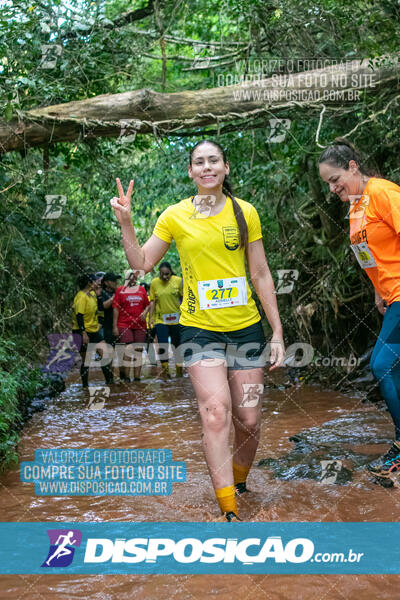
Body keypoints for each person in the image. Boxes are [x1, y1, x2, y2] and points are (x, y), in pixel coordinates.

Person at [110, 140, 285, 521]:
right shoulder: (174, 216)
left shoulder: (246, 213)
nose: (206, 168)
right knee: (215, 413)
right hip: (198, 331)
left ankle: (238, 482)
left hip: (245, 330)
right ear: (191, 172)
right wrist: (126, 222)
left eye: (213, 161)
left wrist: (276, 332)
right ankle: (229, 511)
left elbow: (260, 273)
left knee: (249, 420)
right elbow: (141, 263)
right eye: (199, 163)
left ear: (225, 168)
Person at [318, 138, 400, 479]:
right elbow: (371, 256)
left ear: (353, 166)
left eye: (336, 179)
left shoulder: (383, 192)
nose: (333, 188)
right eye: (327, 184)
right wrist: (377, 293)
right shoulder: (355, 206)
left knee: (382, 364)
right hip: (391, 296)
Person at [72, 273, 114, 387]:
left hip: (94, 331)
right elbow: (79, 316)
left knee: (106, 354)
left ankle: (110, 382)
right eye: (96, 281)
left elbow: (100, 308)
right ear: (89, 283)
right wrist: (84, 333)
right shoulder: (81, 296)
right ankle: (85, 386)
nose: (98, 283)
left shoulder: (93, 294)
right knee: (86, 361)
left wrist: (99, 296)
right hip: (81, 332)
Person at [112, 269, 150, 382]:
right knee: (128, 349)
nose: (133, 280)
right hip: (124, 324)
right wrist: (114, 326)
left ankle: (137, 377)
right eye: (130, 277)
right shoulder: (120, 290)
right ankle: (127, 377)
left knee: (138, 349)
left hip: (140, 324)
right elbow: (115, 308)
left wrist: (145, 312)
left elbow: (147, 305)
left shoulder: (142, 289)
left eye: (134, 277)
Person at [149, 261, 184, 377]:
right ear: (159, 273)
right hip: (161, 320)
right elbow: (152, 301)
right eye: (162, 274)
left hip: (176, 319)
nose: (164, 277)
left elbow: (184, 298)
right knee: (162, 345)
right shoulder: (154, 283)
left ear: (171, 272)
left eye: (167, 274)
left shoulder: (178, 281)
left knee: (177, 345)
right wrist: (150, 318)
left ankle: (179, 371)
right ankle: (166, 372)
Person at [99, 272, 121, 345]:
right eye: (113, 280)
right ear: (106, 282)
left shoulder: (119, 292)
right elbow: (104, 306)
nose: (115, 282)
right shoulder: (101, 293)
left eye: (116, 280)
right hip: (106, 327)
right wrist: (114, 297)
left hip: (119, 326)